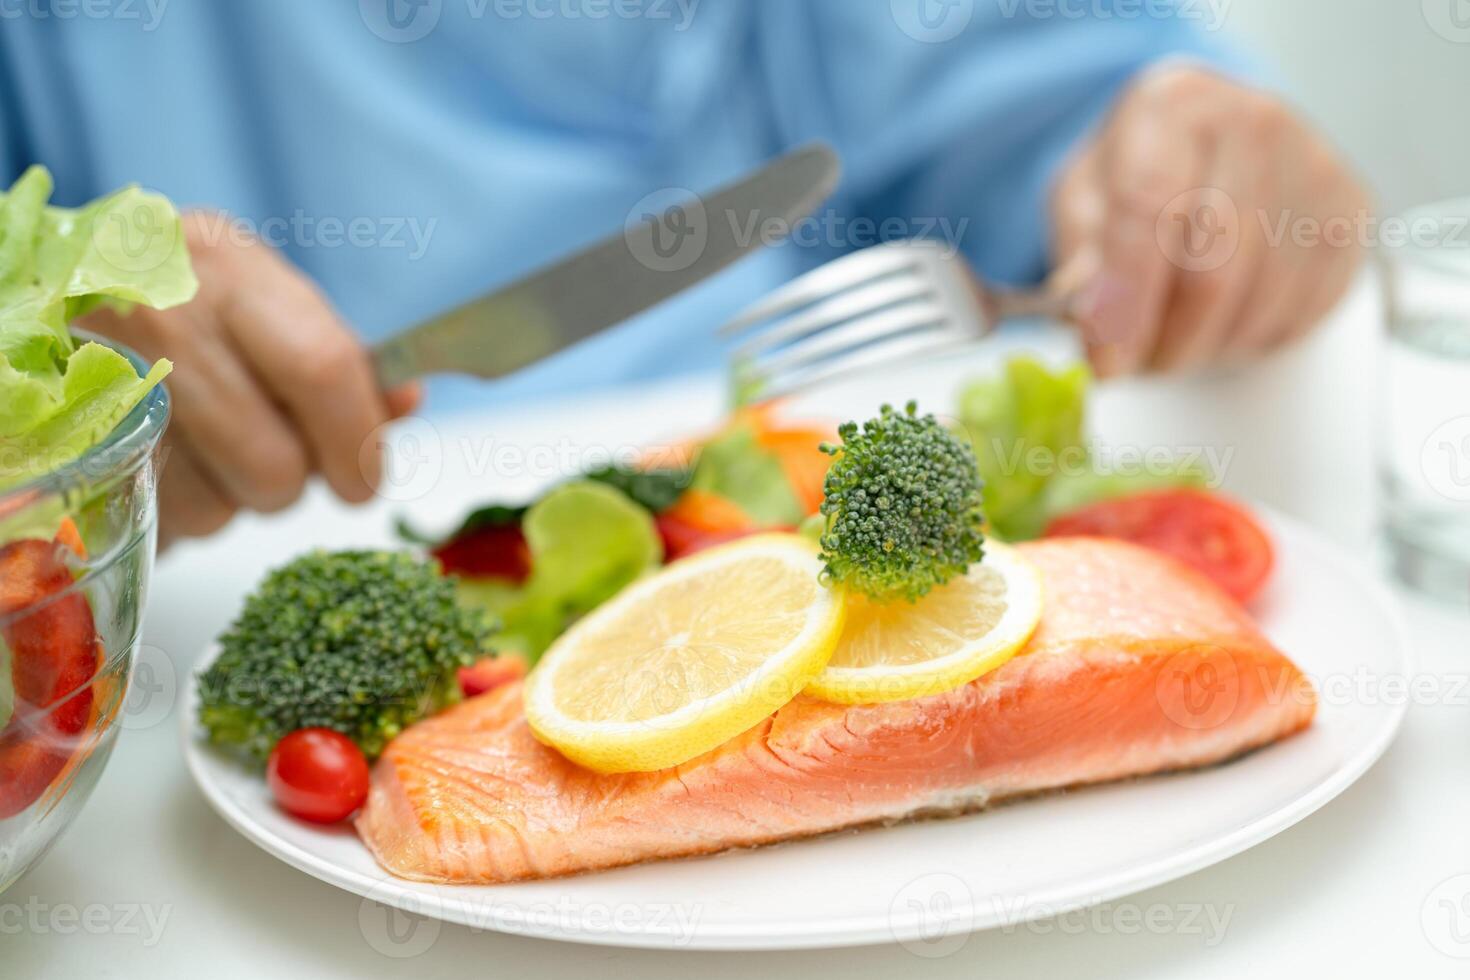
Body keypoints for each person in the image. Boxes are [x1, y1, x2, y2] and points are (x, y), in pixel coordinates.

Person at [0, 2, 1367, 545]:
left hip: (811, 465)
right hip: (208, 586)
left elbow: (1047, 91)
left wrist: (1195, 156)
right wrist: (48, 357)